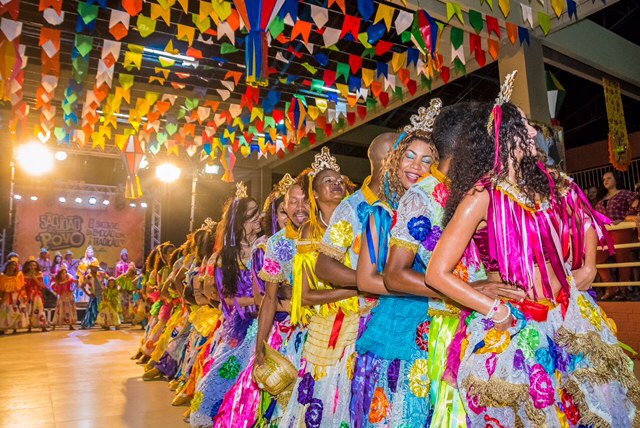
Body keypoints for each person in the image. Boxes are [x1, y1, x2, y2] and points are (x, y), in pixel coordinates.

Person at [425, 72, 640, 426]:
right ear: (503, 134)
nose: (533, 132)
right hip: (519, 326)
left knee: (591, 412)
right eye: (524, 125)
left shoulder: (545, 184)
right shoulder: (481, 196)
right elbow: (437, 273)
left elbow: (586, 217)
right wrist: (493, 309)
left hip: (569, 318)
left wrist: (587, 266)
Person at [279, 148, 360, 427]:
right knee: (324, 391)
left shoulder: (360, 220)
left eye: (340, 180)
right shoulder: (309, 232)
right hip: (327, 325)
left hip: (364, 317)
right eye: (328, 180)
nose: (336, 183)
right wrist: (354, 291)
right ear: (314, 193)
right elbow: (307, 296)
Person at [214, 174, 297, 427]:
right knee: (234, 371)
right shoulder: (266, 248)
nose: (257, 220)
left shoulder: (297, 242)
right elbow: (257, 297)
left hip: (292, 321)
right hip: (255, 321)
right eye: (250, 216)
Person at [190, 182, 263, 428]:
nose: (259, 219)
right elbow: (227, 297)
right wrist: (261, 301)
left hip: (270, 319)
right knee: (228, 370)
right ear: (239, 221)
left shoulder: (267, 246)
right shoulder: (225, 256)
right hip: (242, 322)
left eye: (258, 213)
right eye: (252, 215)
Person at [250, 175, 311, 426]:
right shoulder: (276, 243)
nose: (299, 208)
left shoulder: (330, 234)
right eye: (292, 202)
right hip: (294, 334)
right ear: (284, 207)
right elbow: (269, 299)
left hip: (330, 331)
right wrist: (260, 345)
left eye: (305, 201)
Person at [595, 171, 636, 300]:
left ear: (616, 180)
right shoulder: (601, 200)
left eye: (609, 178)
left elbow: (636, 202)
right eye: (603, 179)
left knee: (622, 259)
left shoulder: (624, 194)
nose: (605, 181)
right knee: (598, 259)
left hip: (621, 229)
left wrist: (625, 219)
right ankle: (611, 287)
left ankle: (623, 290)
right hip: (605, 232)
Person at [0, 256, 27, 333]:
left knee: (16, 310)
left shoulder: (19, 274)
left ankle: (15, 326)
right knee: (5, 310)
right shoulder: (3, 276)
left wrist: (24, 295)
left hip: (17, 295)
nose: (13, 267)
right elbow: (1, 288)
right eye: (11, 265)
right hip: (7, 296)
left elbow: (22, 286)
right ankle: (4, 326)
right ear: (8, 266)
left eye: (15, 265)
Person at [23, 258, 48, 332]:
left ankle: (42, 325)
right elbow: (24, 286)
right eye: (30, 265)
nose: (32, 266)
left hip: (37, 294)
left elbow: (41, 285)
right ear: (28, 266)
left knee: (39, 309)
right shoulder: (25, 275)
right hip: (28, 294)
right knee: (29, 309)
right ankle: (29, 326)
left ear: (36, 266)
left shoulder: (39, 273)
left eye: (34, 265)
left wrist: (34, 277)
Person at [80, 260, 104, 329]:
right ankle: (87, 323)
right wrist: (88, 294)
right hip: (94, 295)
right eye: (93, 267)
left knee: (103, 309)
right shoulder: (88, 277)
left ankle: (104, 323)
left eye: (96, 267)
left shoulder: (100, 274)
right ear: (91, 268)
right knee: (91, 310)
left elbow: (109, 279)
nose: (95, 268)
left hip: (101, 295)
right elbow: (82, 286)